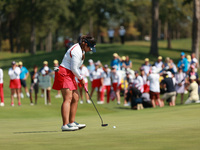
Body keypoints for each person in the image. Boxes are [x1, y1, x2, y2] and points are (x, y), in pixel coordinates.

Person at [52, 35, 96, 131]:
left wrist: (79, 78)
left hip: (70, 74)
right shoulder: (76, 51)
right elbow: (74, 68)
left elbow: (74, 69)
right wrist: (81, 79)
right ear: (85, 44)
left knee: (76, 97)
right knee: (67, 98)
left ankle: (71, 122)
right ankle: (65, 124)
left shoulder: (82, 49)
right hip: (64, 73)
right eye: (90, 47)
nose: (90, 50)